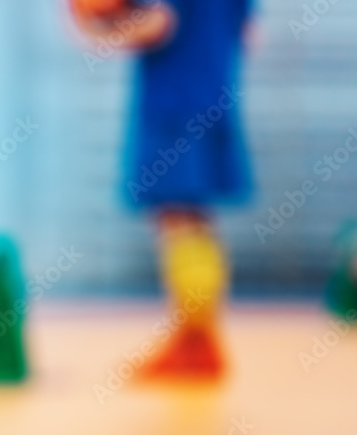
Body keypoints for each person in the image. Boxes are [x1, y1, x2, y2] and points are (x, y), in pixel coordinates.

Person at [72, 0, 254, 379]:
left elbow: (157, 24)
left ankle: (195, 341)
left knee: (177, 222)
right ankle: (199, 336)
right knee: (197, 223)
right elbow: (249, 35)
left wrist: (96, 29)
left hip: (172, 104)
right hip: (214, 93)